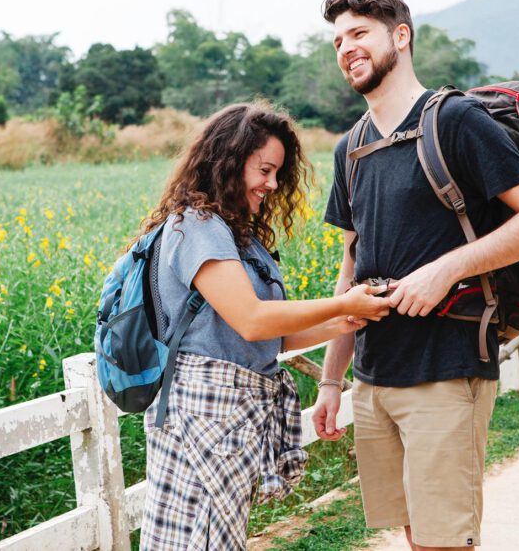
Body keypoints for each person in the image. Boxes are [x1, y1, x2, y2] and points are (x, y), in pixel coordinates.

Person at [310, 0, 519, 551]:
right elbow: (352, 263)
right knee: (414, 532)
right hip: (374, 373)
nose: (346, 48)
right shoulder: (349, 147)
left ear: (400, 36)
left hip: (447, 365)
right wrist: (333, 379)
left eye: (359, 34)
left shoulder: (455, 120)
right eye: (338, 40)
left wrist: (444, 270)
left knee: (443, 540)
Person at [138, 101, 392, 550]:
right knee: (202, 540)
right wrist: (339, 302)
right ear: (228, 162)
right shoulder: (199, 226)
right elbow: (253, 321)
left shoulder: (237, 234)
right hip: (204, 410)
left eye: (278, 174)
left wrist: (344, 319)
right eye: (265, 170)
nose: (272, 185)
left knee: (218, 536)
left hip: (228, 414)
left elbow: (275, 336)